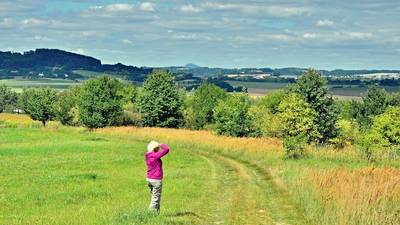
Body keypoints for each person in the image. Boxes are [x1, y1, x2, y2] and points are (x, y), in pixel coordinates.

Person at [145, 141, 170, 213]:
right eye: (158, 148)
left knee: (155, 196)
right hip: (156, 180)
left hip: (149, 179)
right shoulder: (155, 155)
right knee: (155, 198)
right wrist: (160, 144)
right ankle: (150, 213)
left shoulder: (147, 155)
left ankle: (156, 213)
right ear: (155, 148)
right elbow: (166, 149)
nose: (159, 149)